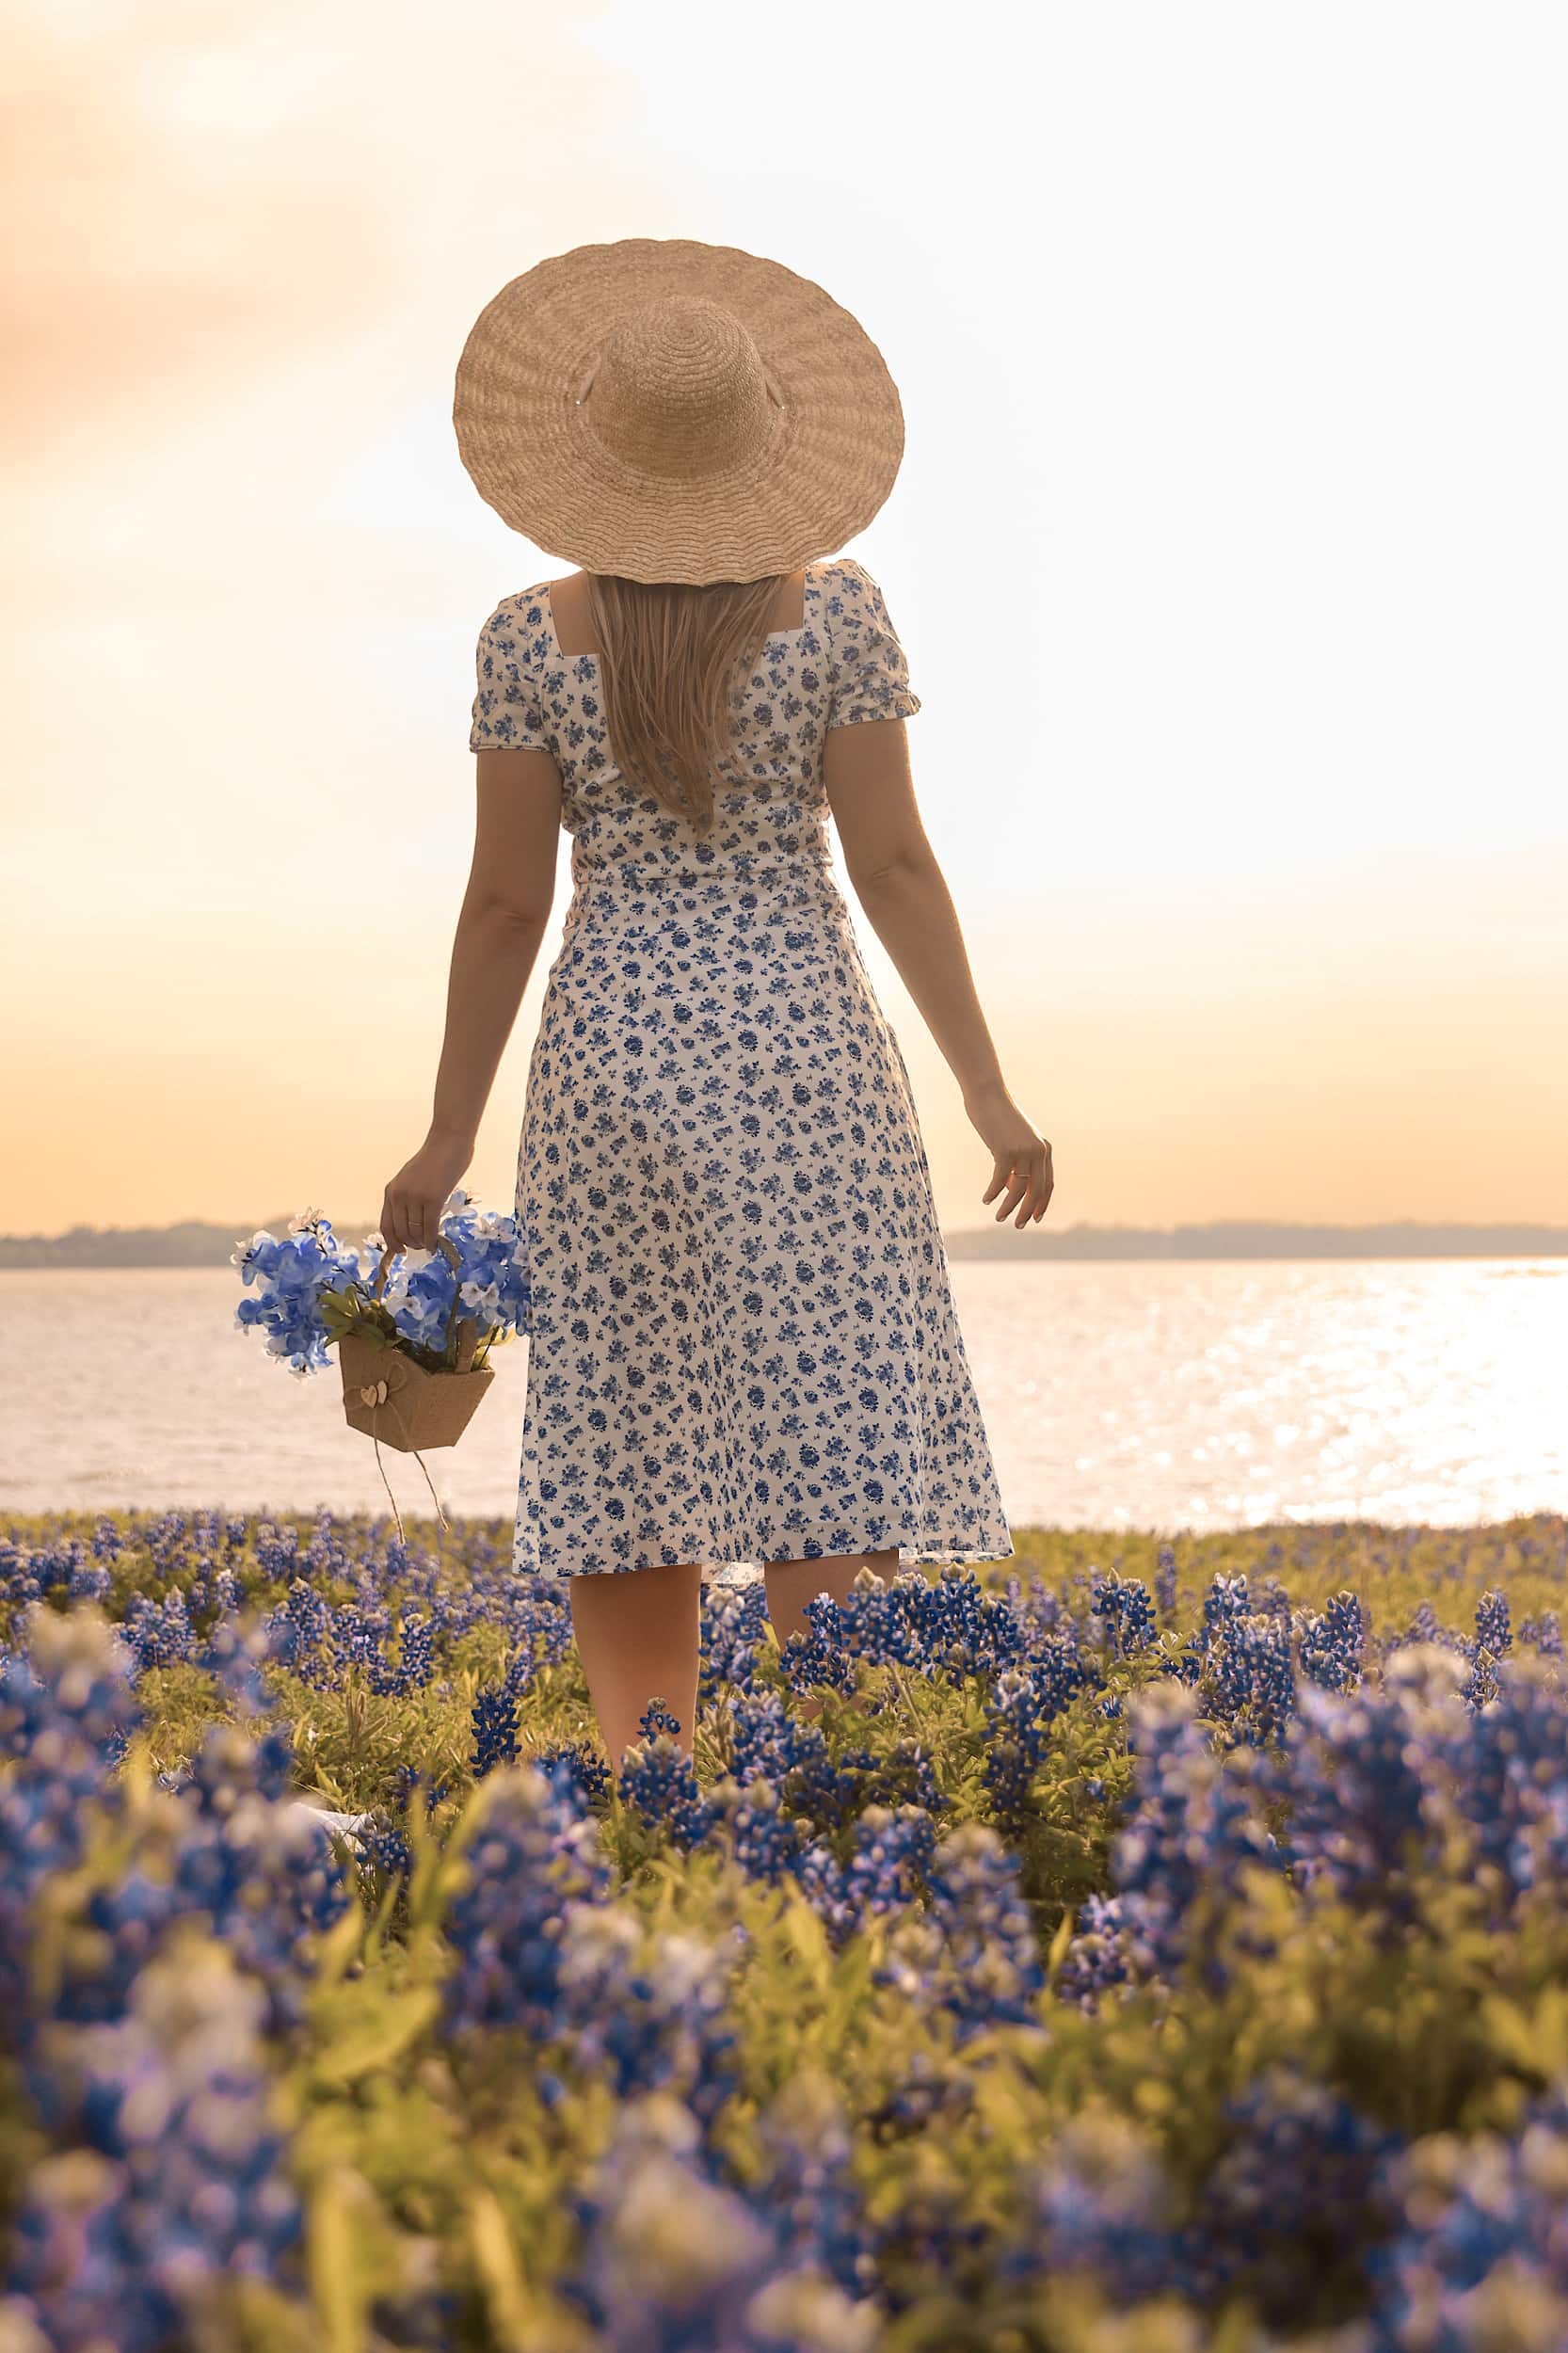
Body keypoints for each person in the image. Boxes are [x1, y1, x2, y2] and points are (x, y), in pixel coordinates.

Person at [380, 237, 1053, 1786]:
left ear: (591, 453)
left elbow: (502, 905)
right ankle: (836, 1782)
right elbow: (889, 861)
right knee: (828, 1417)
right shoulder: (838, 616)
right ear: (766, 450)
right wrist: (987, 1093)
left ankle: (651, 1793)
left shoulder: (526, 637)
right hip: (805, 1048)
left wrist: (444, 1134)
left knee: (624, 1421)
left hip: (612, 1052)